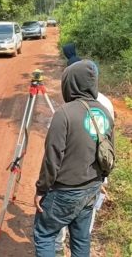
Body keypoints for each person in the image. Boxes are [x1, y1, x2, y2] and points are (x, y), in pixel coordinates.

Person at [33, 60, 115, 257]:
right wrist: (101, 180)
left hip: (65, 190)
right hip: (91, 188)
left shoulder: (64, 114)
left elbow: (52, 158)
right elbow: (110, 153)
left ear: (70, 83)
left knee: (44, 234)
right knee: (81, 238)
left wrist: (41, 189)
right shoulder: (104, 112)